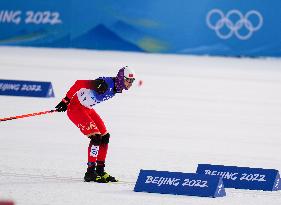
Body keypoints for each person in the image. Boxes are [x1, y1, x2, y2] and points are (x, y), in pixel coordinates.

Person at [55, 66, 136, 183]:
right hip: (76, 109)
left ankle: (100, 170)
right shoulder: (104, 84)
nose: (130, 83)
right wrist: (65, 100)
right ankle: (90, 172)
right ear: (120, 78)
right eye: (128, 80)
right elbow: (79, 83)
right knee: (96, 137)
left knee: (105, 137)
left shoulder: (117, 88)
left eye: (132, 81)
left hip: (87, 108)